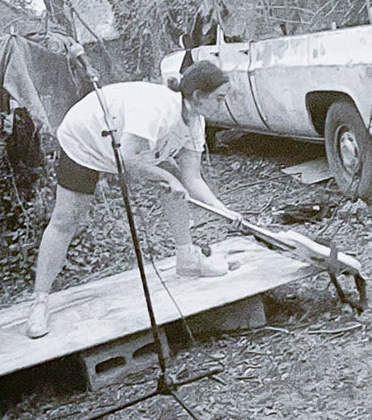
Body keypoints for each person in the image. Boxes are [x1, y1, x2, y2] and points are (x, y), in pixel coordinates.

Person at [26, 60, 232, 339]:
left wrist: (224, 211)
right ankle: (39, 301)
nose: (223, 105)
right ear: (198, 95)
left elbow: (192, 178)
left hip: (126, 144)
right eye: (219, 98)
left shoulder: (195, 120)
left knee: (175, 179)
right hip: (86, 139)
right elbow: (128, 160)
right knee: (66, 219)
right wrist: (167, 178)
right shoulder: (157, 109)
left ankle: (186, 258)